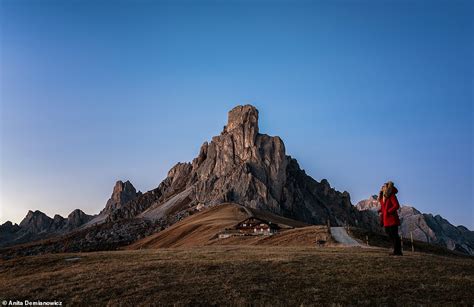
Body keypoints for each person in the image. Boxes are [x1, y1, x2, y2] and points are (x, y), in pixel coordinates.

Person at [378, 181, 403, 256]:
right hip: (386, 219)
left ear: (387, 188)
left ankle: (397, 251)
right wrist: (380, 211)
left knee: (394, 235)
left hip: (392, 219)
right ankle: (395, 249)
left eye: (384, 186)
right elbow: (383, 207)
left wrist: (388, 211)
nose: (382, 187)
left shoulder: (392, 195)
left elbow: (396, 205)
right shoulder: (383, 197)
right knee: (389, 234)